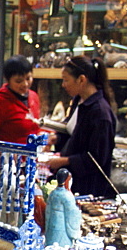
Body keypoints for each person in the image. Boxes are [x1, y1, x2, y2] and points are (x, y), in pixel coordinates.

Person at [47, 56, 116, 197]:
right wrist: (57, 138)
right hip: (72, 182)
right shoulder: (79, 102)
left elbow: (96, 159)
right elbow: (72, 133)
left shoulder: (100, 113)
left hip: (89, 188)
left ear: (81, 79)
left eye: (66, 80)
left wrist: (64, 161)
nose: (63, 84)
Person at [0, 55, 41, 145]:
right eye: (18, 81)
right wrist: (5, 152)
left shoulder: (33, 96)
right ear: (8, 80)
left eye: (28, 78)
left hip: (33, 156)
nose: (25, 84)